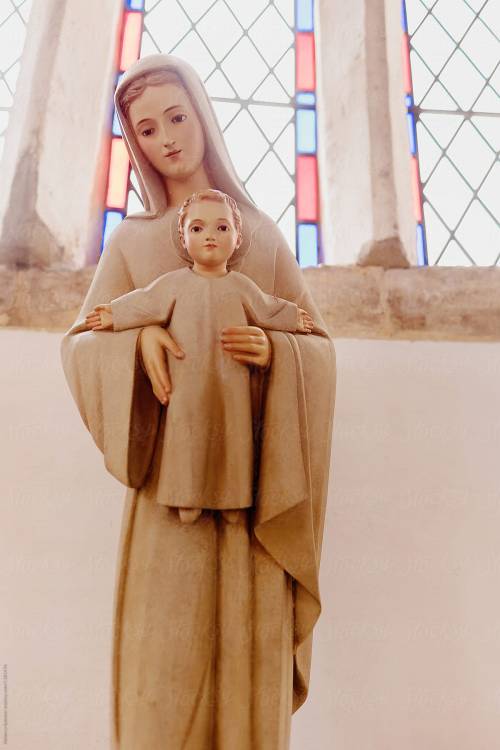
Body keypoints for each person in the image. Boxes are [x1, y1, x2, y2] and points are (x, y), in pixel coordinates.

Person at [60, 53, 336, 750]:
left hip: (250, 502)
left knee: (243, 679)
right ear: (138, 147)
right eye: (147, 130)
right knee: (163, 677)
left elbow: (316, 343)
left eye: (177, 117)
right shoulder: (133, 242)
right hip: (167, 503)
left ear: (203, 118)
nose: (168, 139)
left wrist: (277, 355)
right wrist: (138, 342)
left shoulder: (261, 236)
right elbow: (80, 343)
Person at [84, 188, 315, 524]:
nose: (210, 236)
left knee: (234, 437)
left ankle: (234, 498)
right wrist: (114, 314)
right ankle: (185, 496)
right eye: (198, 228)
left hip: (232, 380)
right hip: (186, 381)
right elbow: (144, 302)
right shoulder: (174, 284)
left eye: (222, 228)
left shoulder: (242, 287)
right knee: (186, 437)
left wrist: (294, 318)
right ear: (183, 236)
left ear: (237, 239)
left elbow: (268, 308)